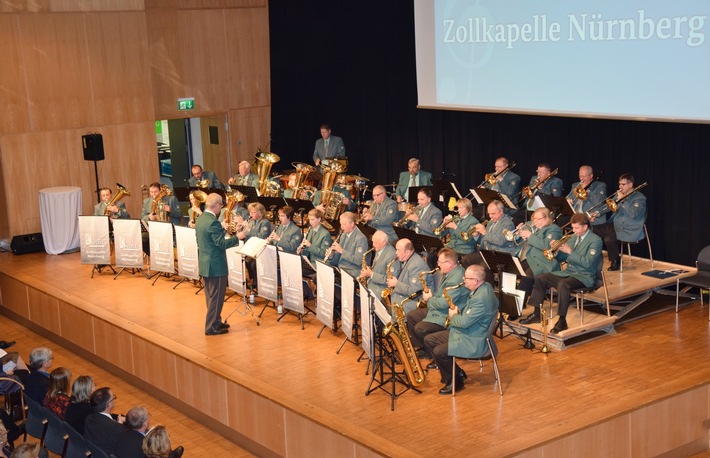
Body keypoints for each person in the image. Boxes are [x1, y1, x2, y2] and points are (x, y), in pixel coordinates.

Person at [423, 264, 499, 394]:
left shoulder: (480, 299)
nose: (463, 280)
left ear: (475, 281)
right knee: (429, 339)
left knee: (439, 351)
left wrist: (453, 315)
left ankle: (455, 381)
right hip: (468, 331)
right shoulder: (485, 287)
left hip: (473, 339)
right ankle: (457, 372)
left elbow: (463, 322)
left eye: (466, 278)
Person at [520, 213, 603, 333]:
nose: (574, 231)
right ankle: (537, 314)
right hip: (569, 272)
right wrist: (557, 250)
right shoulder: (574, 238)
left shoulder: (595, 240)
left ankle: (562, 320)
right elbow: (561, 258)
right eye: (573, 228)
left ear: (585, 227)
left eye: (577, 228)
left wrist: (570, 252)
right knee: (541, 278)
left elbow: (587, 263)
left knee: (563, 284)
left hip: (584, 275)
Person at [407, 248, 467, 368]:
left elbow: (444, 303)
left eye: (440, 262)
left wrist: (430, 299)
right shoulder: (452, 272)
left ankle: (436, 357)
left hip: (446, 314)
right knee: (412, 316)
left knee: (420, 328)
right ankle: (425, 349)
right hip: (439, 309)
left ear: (450, 263)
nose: (438, 265)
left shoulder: (456, 279)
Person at [196, 193, 241, 336]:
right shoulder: (212, 222)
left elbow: (208, 238)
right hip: (216, 265)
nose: (222, 208)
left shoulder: (201, 219)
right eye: (221, 205)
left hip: (205, 263)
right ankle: (210, 327)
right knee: (216, 298)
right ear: (216, 205)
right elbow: (221, 244)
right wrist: (237, 238)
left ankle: (216, 322)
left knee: (211, 296)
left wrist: (220, 228)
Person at [592, 173, 647, 271]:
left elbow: (633, 213)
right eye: (619, 184)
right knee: (591, 230)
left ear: (630, 185)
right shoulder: (619, 195)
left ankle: (616, 260)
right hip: (615, 225)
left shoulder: (640, 198)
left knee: (609, 239)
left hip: (629, 228)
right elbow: (608, 206)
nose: (620, 187)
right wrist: (597, 213)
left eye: (623, 184)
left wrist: (622, 200)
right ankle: (591, 257)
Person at [387, 239, 433, 316]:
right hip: (408, 296)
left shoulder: (416, 265)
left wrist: (396, 284)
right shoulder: (410, 259)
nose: (396, 253)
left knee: (397, 305)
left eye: (398, 250)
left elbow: (414, 291)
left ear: (407, 252)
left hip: (417, 301)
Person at [236, 202, 272, 292]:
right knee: (246, 261)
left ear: (261, 213)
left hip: (261, 249)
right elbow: (245, 235)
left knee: (252, 263)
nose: (251, 215)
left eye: (254, 213)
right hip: (252, 248)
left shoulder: (265, 222)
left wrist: (249, 229)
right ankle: (253, 280)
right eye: (250, 213)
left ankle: (257, 283)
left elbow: (262, 237)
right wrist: (239, 229)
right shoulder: (251, 221)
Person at [84, 387, 126, 456]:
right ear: (108, 405)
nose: (114, 400)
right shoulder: (114, 427)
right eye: (113, 398)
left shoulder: (88, 418)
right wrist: (119, 424)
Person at [358, 230, 399, 300]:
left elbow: (390, 280)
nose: (373, 245)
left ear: (384, 242)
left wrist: (371, 274)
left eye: (376, 242)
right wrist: (369, 270)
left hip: (381, 289)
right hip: (372, 283)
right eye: (373, 241)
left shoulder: (391, 255)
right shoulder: (380, 248)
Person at [329, 212, 368, 278]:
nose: (341, 227)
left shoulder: (361, 238)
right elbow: (338, 256)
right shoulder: (344, 235)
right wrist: (331, 255)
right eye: (341, 224)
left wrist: (341, 251)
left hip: (352, 271)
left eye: (344, 224)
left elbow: (358, 261)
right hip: (341, 268)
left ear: (352, 224)